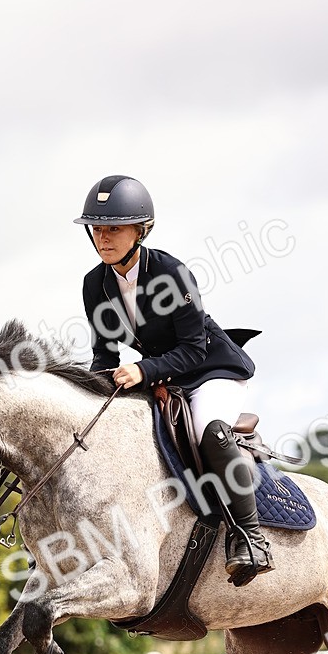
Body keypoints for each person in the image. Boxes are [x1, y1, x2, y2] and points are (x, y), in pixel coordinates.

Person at [77, 174, 274, 586]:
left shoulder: (171, 272)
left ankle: (251, 538)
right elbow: (104, 355)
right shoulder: (95, 284)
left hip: (210, 372)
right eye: (97, 228)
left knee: (211, 430)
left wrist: (145, 370)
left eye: (113, 227)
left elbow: (194, 349)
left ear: (140, 230)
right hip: (161, 377)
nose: (102, 237)